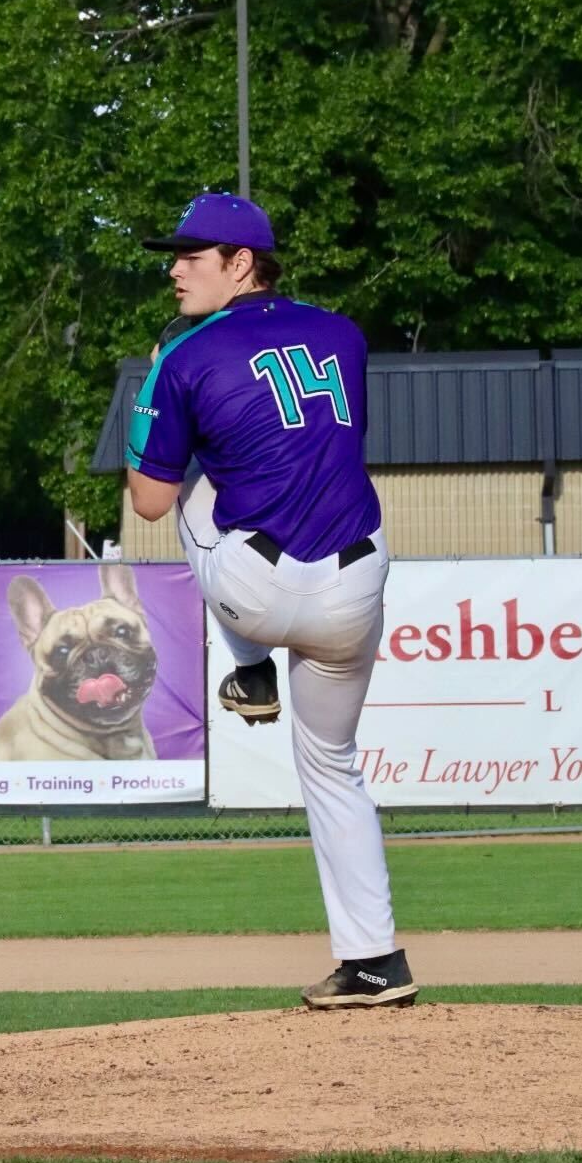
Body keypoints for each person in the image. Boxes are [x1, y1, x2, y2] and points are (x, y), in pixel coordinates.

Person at [126, 192, 417, 1009]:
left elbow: (146, 503)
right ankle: (373, 961)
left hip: (259, 591)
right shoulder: (342, 332)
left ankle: (249, 667)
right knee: (332, 765)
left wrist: (153, 382)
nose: (174, 267)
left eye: (192, 254)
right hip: (357, 584)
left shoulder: (186, 355)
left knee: (191, 497)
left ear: (241, 263)